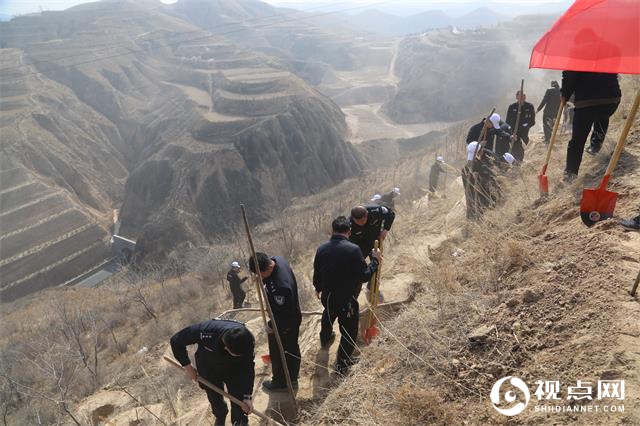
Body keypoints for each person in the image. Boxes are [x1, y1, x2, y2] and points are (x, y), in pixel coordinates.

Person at [313, 216, 381, 374]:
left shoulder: (321, 249)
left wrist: (318, 287)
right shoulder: (353, 250)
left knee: (328, 314)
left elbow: (317, 273)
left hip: (328, 296)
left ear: (332, 231)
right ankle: (342, 364)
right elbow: (364, 276)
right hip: (346, 300)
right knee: (349, 331)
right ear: (349, 232)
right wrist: (375, 261)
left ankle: (325, 338)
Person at [170, 319, 255, 426]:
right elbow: (176, 340)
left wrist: (247, 396)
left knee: (239, 396)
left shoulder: (248, 341)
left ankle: (239, 421)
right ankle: (220, 415)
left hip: (234, 368)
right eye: (235, 354)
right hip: (208, 365)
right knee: (213, 395)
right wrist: (187, 366)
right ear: (226, 347)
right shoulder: (207, 331)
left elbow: (248, 369)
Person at [248, 252, 301, 392]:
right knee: (292, 347)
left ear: (267, 269)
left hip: (286, 321)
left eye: (260, 274)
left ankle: (281, 382)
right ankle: (293, 377)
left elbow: (284, 314)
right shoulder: (277, 259)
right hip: (291, 314)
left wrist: (272, 326)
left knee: (279, 351)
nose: (259, 277)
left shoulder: (280, 286)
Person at [561, 71, 621, 180]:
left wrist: (565, 94)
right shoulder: (608, 53)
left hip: (586, 100)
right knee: (602, 115)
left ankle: (570, 173)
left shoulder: (577, 55)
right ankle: (595, 145)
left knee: (578, 139)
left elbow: (570, 75)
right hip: (612, 99)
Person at [461, 142, 502, 220]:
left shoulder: (465, 168)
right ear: (477, 152)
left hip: (472, 200)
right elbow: (489, 177)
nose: (482, 150)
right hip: (481, 198)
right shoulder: (479, 165)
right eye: (481, 149)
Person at [506, 91, 536, 162]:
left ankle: (523, 161)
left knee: (525, 147)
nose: (523, 97)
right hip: (514, 132)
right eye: (521, 96)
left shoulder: (530, 106)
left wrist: (527, 125)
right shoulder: (512, 107)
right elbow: (507, 121)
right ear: (516, 97)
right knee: (515, 148)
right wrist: (510, 132)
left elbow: (532, 121)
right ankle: (515, 162)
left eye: (524, 95)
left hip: (524, 132)